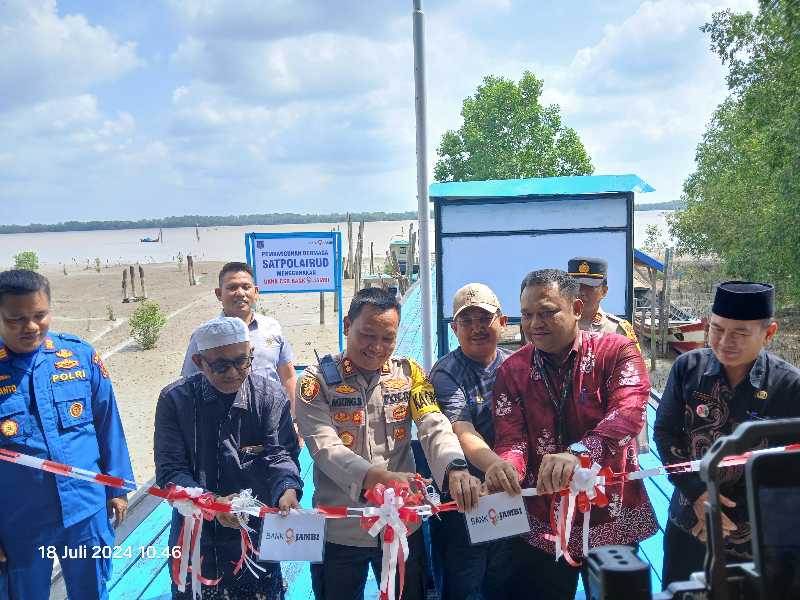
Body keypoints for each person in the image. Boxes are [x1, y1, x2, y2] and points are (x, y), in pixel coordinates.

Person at [295, 287, 481, 600]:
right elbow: (324, 447)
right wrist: (376, 478)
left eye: (388, 338)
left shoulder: (409, 374)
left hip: (402, 525)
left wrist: (455, 466)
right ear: (346, 326)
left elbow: (433, 424)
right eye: (367, 335)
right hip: (341, 530)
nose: (378, 347)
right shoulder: (316, 382)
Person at [487, 269, 658, 600]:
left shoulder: (617, 352)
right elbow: (512, 439)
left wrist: (580, 453)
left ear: (577, 309)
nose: (535, 323)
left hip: (611, 514)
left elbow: (629, 412)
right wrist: (508, 468)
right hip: (543, 518)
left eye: (548, 312)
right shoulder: (512, 370)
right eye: (527, 314)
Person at [654, 281, 800, 588]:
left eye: (741, 332)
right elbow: (666, 434)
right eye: (717, 329)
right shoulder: (687, 368)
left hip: (757, 535)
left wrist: (723, 518)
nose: (725, 341)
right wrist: (697, 496)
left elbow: (791, 469)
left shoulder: (788, 386)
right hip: (689, 521)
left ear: (768, 333)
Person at [0, 269, 134, 600]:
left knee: (92, 590)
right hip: (18, 521)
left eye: (39, 315)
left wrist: (117, 486)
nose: (30, 327)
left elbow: (107, 424)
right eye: (16, 318)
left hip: (85, 510)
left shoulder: (78, 356)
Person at [155, 316, 302, 599]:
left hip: (257, 535)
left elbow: (281, 454)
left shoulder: (270, 395)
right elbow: (170, 473)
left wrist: (287, 489)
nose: (234, 372)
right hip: (196, 536)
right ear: (199, 363)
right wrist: (213, 505)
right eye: (221, 365)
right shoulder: (175, 400)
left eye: (242, 361)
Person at [428, 283, 519, 600]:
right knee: (463, 582)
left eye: (485, 318)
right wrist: (495, 465)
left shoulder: (517, 365)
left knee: (505, 578)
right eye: (467, 321)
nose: (477, 328)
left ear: (503, 321)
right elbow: (462, 428)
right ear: (454, 328)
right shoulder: (445, 373)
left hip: (510, 491)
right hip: (466, 495)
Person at [181, 262, 297, 411]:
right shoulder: (204, 336)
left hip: (273, 412)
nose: (241, 293)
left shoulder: (272, 327)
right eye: (232, 287)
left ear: (256, 292)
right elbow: (189, 383)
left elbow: (288, 376)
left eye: (246, 287)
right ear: (218, 294)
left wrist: (294, 417)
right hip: (225, 417)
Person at [567, 256, 648, 453]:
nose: (581, 292)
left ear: (604, 291)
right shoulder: (557, 326)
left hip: (609, 423)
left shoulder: (618, 330)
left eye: (589, 286)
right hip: (567, 421)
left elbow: (636, 383)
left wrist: (639, 441)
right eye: (576, 286)